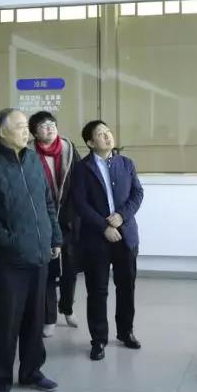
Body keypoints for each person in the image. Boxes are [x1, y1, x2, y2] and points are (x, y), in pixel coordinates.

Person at [0, 108, 62, 392]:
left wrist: (54, 236)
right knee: (4, 322)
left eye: (26, 127)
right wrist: (8, 242)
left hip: (39, 254)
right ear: (1, 131)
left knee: (35, 320)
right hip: (8, 259)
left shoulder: (32, 160)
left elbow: (47, 202)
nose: (27, 132)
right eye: (20, 126)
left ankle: (32, 371)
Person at [70, 120, 144, 361]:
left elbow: (137, 193)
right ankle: (99, 339)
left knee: (126, 287)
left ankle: (126, 331)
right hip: (96, 238)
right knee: (97, 290)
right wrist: (104, 227)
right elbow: (80, 203)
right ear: (90, 142)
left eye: (108, 132)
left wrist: (121, 216)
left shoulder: (126, 163)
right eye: (101, 134)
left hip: (126, 235)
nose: (107, 136)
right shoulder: (82, 169)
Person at [28, 110, 80, 338]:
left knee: (70, 268)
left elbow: (81, 181)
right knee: (48, 270)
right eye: (43, 125)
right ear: (34, 133)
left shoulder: (69, 149)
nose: (49, 128)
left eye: (52, 124)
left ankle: (67, 308)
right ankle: (49, 318)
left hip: (69, 219)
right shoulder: (28, 153)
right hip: (43, 220)